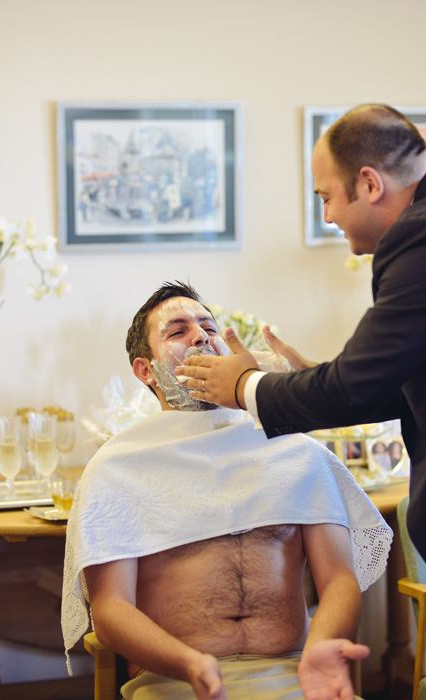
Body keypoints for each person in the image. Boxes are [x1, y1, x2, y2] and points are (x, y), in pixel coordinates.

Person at [62, 281, 392, 700]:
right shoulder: (117, 468)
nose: (201, 336)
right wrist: (189, 664)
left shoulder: (294, 450)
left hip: (296, 674)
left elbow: (340, 580)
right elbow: (110, 609)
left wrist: (321, 649)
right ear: (145, 370)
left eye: (208, 327)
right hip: (175, 682)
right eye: (178, 330)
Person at [175, 104, 426, 562]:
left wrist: (244, 385)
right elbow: (401, 377)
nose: (327, 217)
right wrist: (313, 375)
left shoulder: (416, 239)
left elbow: (352, 389)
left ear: (370, 184)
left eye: (326, 197)